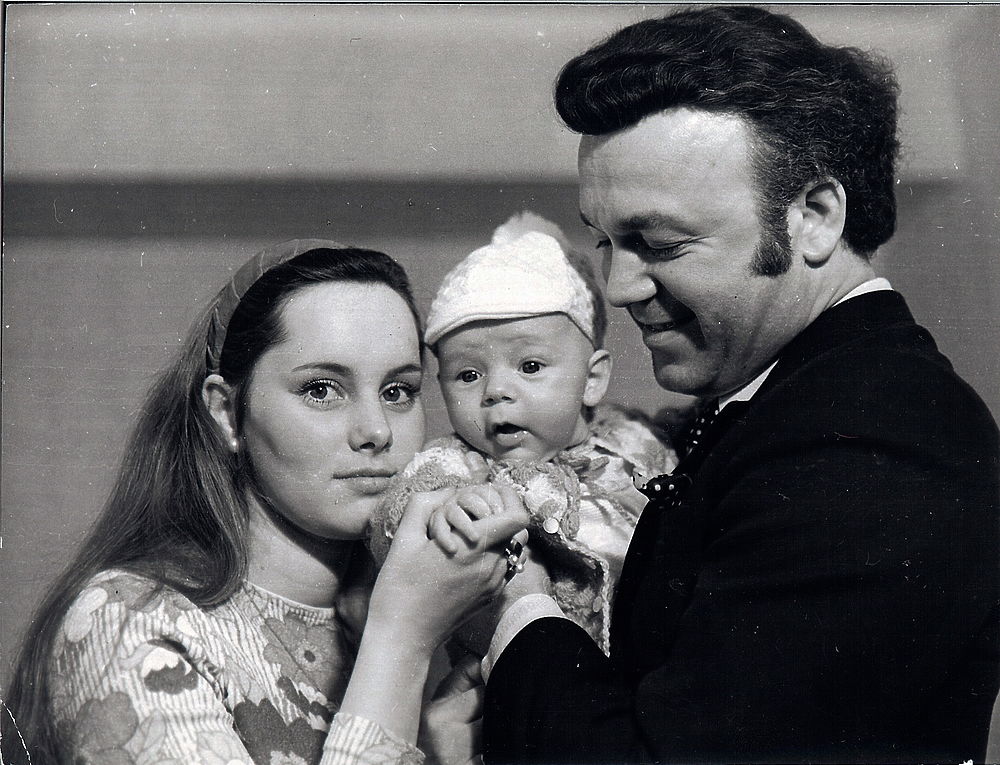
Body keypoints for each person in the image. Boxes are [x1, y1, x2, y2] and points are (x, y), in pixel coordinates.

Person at [471, 6, 1000, 764]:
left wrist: (517, 603)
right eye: (605, 241)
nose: (618, 286)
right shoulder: (798, 403)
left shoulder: (874, 439)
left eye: (659, 243)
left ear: (814, 216)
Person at [1, 240, 527, 765]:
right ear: (227, 413)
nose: (376, 431)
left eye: (398, 391)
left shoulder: (436, 601)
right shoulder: (127, 621)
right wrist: (401, 642)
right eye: (321, 389)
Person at [367, 213, 676, 655]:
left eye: (530, 366)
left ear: (592, 380)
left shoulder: (631, 436)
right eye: (468, 375)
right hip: (529, 669)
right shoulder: (457, 465)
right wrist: (446, 517)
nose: (496, 391)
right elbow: (398, 515)